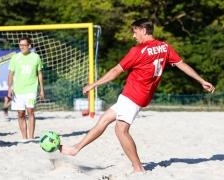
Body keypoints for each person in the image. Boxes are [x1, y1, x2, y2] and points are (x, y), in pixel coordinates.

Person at [59, 18, 215, 173]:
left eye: (135, 32)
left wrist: (93, 84)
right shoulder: (165, 47)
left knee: (121, 130)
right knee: (104, 119)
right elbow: (183, 65)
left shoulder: (137, 51)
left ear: (143, 30)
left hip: (132, 95)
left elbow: (115, 72)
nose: (134, 36)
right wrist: (201, 81)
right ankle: (75, 149)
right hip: (142, 96)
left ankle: (138, 168)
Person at [7, 36, 45, 139]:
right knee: (20, 114)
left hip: (31, 89)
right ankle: (24, 138)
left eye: (24, 45)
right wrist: (9, 88)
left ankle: (31, 136)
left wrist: (42, 89)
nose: (22, 47)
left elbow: (40, 73)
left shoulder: (35, 57)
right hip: (18, 90)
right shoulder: (15, 57)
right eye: (21, 45)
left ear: (29, 46)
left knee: (30, 111)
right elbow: (11, 74)